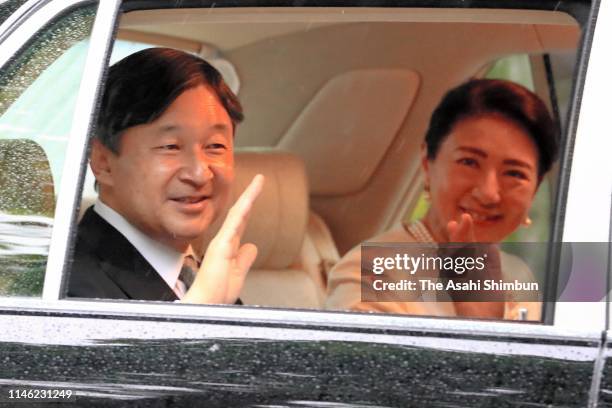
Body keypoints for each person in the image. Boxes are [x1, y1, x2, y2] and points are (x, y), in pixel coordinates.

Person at [325, 79, 558, 320]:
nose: (489, 193)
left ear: (536, 188)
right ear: (427, 164)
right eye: (469, 162)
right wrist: (479, 326)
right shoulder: (371, 275)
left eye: (514, 173)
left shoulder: (516, 277)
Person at [67, 48, 263, 304]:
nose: (199, 173)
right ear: (103, 163)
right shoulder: (68, 286)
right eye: (170, 146)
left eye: (215, 146)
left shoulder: (208, 275)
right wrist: (201, 312)